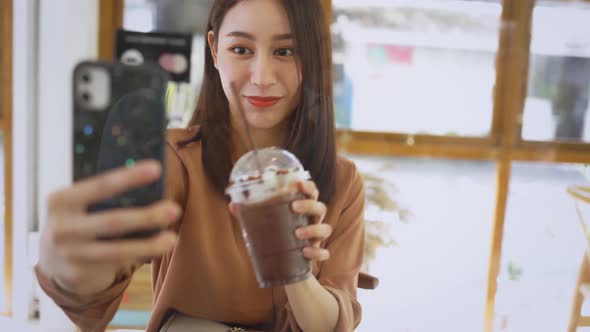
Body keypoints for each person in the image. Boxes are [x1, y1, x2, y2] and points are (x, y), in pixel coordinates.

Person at [35, 0, 366, 331]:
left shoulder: (343, 180)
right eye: (240, 49)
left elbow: (329, 326)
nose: (262, 77)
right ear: (214, 50)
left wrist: (295, 267)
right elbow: (96, 285)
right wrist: (69, 265)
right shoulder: (175, 160)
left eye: (285, 52)